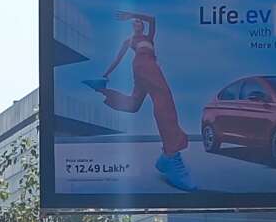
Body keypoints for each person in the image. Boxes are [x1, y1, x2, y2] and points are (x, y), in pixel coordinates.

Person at [83, 11, 194, 192]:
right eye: (135, 22)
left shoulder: (149, 37)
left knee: (133, 104)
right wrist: (106, 73)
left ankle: (101, 90)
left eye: (140, 22)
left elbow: (153, 19)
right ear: (132, 26)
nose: (138, 24)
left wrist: (131, 14)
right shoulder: (130, 41)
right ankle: (171, 153)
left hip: (147, 67)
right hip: (145, 66)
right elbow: (117, 59)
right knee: (163, 97)